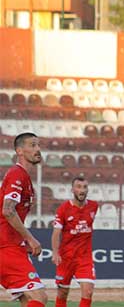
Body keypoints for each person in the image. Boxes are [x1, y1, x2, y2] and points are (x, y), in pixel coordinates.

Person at [0, 132, 47, 307]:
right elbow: (8, 210)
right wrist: (29, 238)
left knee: (28, 300)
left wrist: (22, 239)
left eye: (38, 145)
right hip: (6, 246)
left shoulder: (23, 177)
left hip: (11, 244)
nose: (38, 149)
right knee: (39, 297)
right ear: (19, 151)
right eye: (33, 145)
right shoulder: (16, 174)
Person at [52, 177, 99, 307]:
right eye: (78, 187)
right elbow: (56, 233)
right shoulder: (63, 209)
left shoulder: (94, 206)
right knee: (62, 293)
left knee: (88, 292)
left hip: (84, 258)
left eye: (84, 187)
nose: (82, 190)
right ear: (72, 189)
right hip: (66, 258)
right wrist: (55, 253)